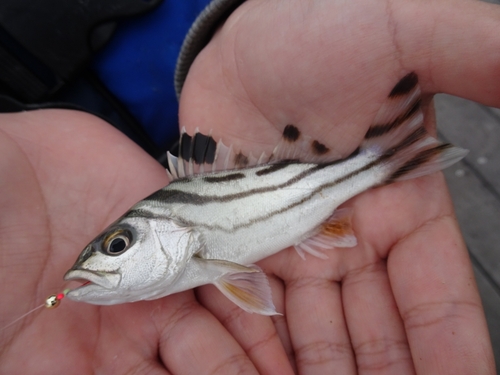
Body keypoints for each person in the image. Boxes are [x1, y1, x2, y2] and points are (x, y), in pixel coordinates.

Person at [0, 0, 497, 373]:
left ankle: (385, 159)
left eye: (118, 244)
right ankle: (387, 159)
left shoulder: (193, 252)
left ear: (169, 231)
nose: (107, 257)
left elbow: (240, 281)